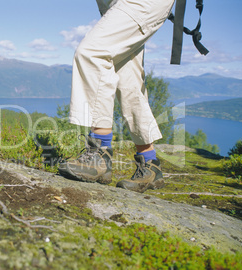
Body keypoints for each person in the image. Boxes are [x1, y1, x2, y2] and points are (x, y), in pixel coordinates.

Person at [58, 0, 175, 193]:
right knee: (128, 80)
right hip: (115, 5)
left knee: (91, 53)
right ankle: (150, 163)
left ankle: (100, 153)